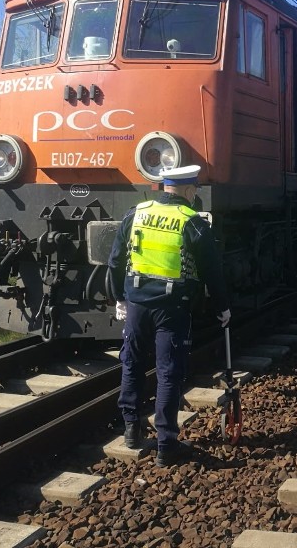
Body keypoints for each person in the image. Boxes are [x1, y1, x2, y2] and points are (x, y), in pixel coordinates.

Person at [108, 164, 231, 466]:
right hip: (172, 309)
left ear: (164, 187)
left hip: (136, 305)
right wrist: (221, 307)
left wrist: (118, 297)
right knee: (168, 373)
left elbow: (115, 259)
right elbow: (212, 271)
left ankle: (132, 431)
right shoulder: (191, 222)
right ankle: (166, 444)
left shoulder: (135, 213)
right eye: (195, 190)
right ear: (189, 190)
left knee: (132, 363)